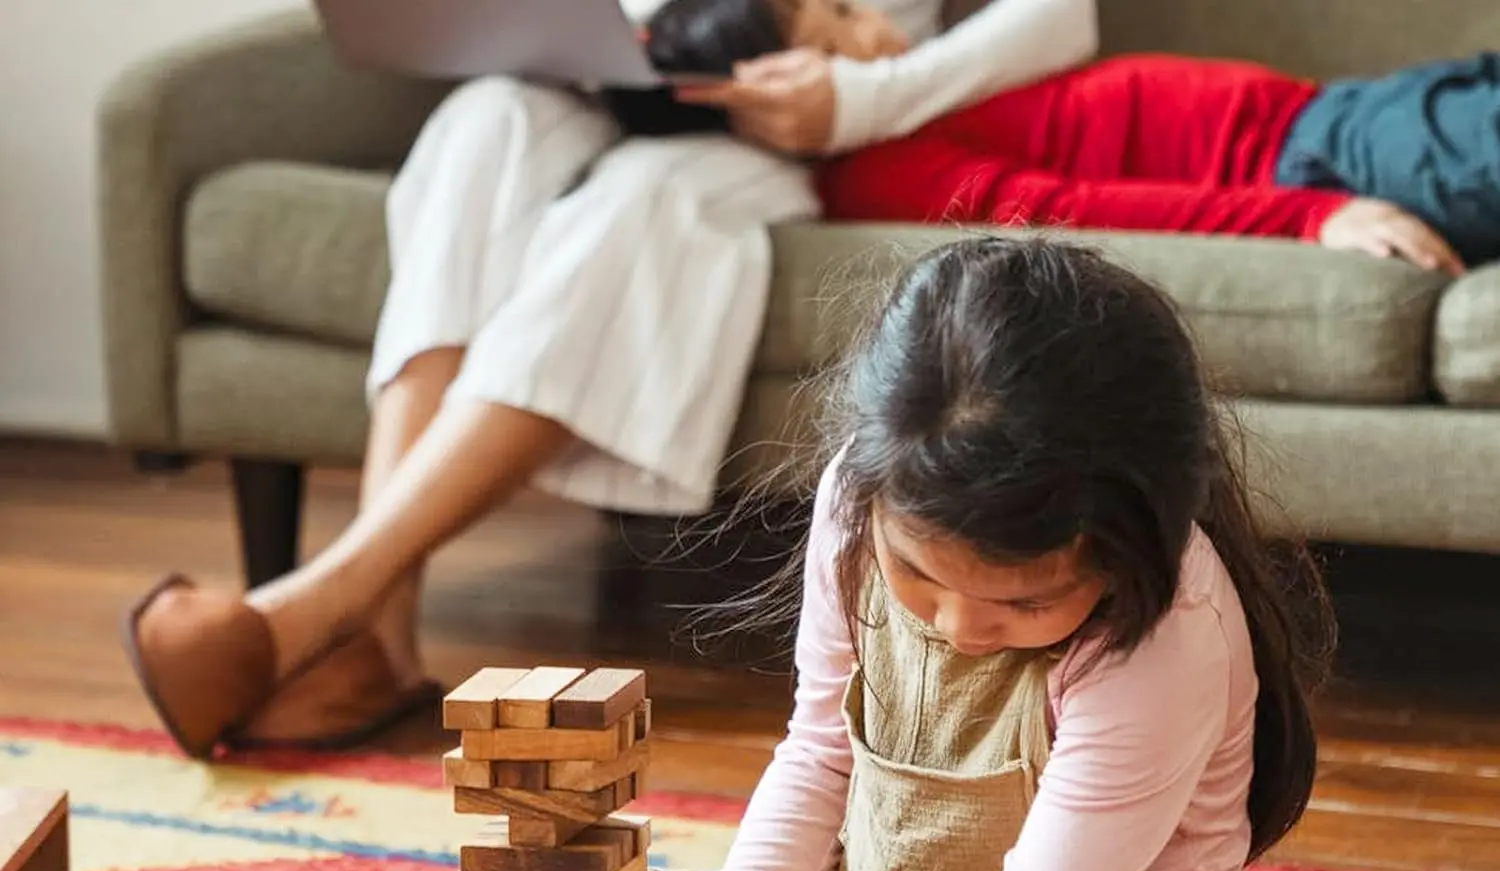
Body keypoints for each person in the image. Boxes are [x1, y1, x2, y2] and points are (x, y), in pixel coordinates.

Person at [378, 237, 1500, 871]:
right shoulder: (863, 504)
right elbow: (821, 752)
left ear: (1136, 538)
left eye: (1025, 598)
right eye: (922, 578)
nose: (960, 627)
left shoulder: (1166, 636)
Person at [120, 0, 1099, 758]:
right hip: (625, 80)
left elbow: (1064, 16)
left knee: (645, 207)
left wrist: (856, 99)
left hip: (822, 121)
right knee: (483, 127)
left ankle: (321, 608)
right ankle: (384, 637)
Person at [661, 0, 1499, 271]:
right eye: (842, 20)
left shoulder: (915, 96)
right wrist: (1312, 216)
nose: (876, 21)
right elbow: (1085, 213)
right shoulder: (881, 176)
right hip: (1323, 154)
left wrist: (870, 90)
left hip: (1354, 111)